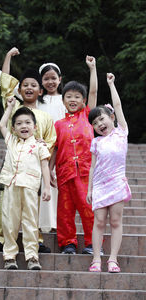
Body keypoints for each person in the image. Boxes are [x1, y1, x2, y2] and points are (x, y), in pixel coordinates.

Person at [0, 48, 66, 233]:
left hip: (49, 154)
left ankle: (44, 230)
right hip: (21, 155)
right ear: (41, 84)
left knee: (46, 193)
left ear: (60, 79)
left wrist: (49, 159)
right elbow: (7, 84)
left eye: (54, 78)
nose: (50, 81)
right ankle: (7, 235)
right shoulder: (33, 100)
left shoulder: (65, 100)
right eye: (46, 78)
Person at [49, 56, 98, 255]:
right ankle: (67, 243)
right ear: (63, 100)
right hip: (64, 172)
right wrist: (49, 169)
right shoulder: (58, 124)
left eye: (77, 96)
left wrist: (93, 69)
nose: (73, 100)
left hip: (85, 172)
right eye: (69, 96)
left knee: (88, 209)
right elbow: (55, 148)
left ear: (84, 101)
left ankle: (91, 243)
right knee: (65, 211)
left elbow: (94, 91)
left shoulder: (88, 115)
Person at [87, 73, 131, 273]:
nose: (99, 125)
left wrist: (111, 84)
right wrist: (89, 189)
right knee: (98, 222)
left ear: (111, 117)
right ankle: (96, 259)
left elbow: (119, 106)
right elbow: (93, 167)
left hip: (117, 184)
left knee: (115, 221)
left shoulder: (122, 131)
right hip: (99, 186)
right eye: (95, 123)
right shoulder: (96, 142)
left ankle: (112, 259)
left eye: (101, 119)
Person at [0, 103, 51, 270]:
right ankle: (9, 256)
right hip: (11, 185)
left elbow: (45, 167)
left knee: (30, 222)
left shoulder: (40, 145)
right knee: (9, 222)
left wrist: (48, 188)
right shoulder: (11, 141)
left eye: (28, 123)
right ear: (13, 129)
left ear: (35, 127)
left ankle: (32, 257)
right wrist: (9, 108)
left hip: (30, 187)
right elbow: (1, 124)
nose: (24, 126)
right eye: (19, 123)